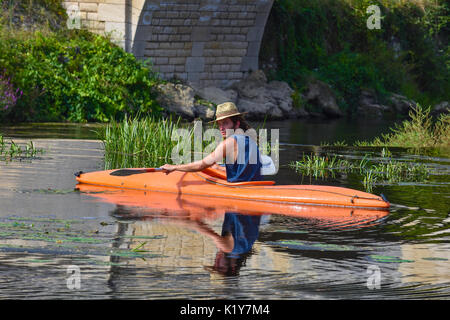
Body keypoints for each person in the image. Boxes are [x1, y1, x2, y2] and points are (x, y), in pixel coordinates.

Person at [160, 102, 262, 182]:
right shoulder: (251, 139)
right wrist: (218, 168)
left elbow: (201, 165)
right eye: (219, 124)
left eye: (225, 123)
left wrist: (174, 167)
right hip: (255, 186)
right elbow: (243, 171)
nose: (221, 128)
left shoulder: (229, 142)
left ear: (237, 124)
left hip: (240, 189)